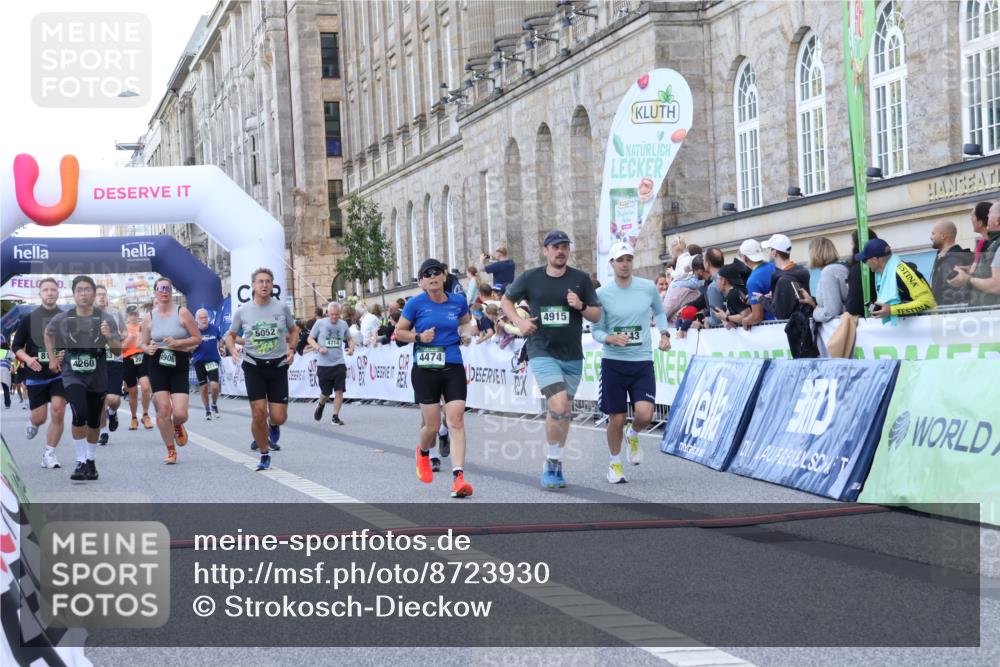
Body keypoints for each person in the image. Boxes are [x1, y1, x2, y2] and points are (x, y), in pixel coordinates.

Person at [502, 230, 601, 490]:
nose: (560, 251)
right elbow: (505, 301)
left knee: (563, 411)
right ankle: (551, 463)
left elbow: (596, 315)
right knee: (557, 405)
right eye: (555, 247)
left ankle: (554, 462)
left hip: (572, 355)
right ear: (545, 250)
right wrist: (520, 322)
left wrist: (580, 305)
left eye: (564, 246)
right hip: (541, 350)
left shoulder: (580, 279)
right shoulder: (530, 277)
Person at [395, 258, 477, 498]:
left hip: (452, 365)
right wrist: (419, 337)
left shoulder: (458, 302)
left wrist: (465, 335)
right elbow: (399, 332)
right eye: (426, 274)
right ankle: (422, 451)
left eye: (436, 273)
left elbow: (464, 324)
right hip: (425, 369)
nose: (432, 277)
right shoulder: (415, 304)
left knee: (456, 420)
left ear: (444, 276)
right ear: (421, 282)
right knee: (431, 426)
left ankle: (458, 478)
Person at [591, 243, 670, 484]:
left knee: (645, 414)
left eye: (628, 259)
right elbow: (596, 329)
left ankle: (633, 434)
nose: (625, 263)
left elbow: (658, 311)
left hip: (641, 361)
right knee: (616, 418)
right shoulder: (602, 294)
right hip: (614, 362)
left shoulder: (647, 287)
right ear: (612, 264)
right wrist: (610, 338)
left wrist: (665, 334)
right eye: (620, 259)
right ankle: (615, 464)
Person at [44, 275, 123, 481]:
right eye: (79, 290)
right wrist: (52, 358)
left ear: (94, 293)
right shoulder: (63, 318)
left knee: (94, 420)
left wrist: (109, 337)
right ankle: (80, 462)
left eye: (87, 289)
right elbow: (48, 333)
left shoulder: (106, 318)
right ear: (74, 293)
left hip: (97, 374)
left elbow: (116, 351)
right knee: (79, 413)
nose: (83, 293)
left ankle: (90, 460)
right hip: (72, 372)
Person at [226, 268, 298, 470]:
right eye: (260, 281)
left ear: (272, 285)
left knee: (278, 417)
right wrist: (232, 350)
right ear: (253, 286)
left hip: (278, 366)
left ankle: (273, 425)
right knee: (258, 414)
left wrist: (292, 349)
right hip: (254, 365)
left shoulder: (282, 308)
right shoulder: (243, 311)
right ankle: (264, 453)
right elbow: (230, 335)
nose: (264, 285)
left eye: (268, 281)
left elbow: (294, 330)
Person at [142, 277, 202, 464]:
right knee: (163, 410)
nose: (164, 291)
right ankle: (170, 449)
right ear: (155, 292)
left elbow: (197, 338)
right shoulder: (149, 317)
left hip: (178, 363)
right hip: (157, 364)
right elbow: (142, 343)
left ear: (171, 291)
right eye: (161, 288)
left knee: (181, 413)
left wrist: (179, 342)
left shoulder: (182, 312)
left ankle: (177, 425)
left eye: (167, 288)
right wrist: (147, 348)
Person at [11, 277, 67, 469]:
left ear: (58, 293)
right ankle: (33, 422)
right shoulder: (29, 319)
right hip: (35, 373)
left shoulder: (66, 318)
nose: (50, 293)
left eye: (53, 289)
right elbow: (16, 346)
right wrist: (28, 359)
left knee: (58, 410)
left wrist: (65, 353)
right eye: (46, 290)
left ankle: (49, 453)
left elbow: (74, 343)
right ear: (40, 294)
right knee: (40, 418)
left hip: (59, 373)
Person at [856, 238, 936, 323]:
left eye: (864, 260)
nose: (865, 264)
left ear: (875, 260)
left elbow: (928, 302)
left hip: (923, 328)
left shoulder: (902, 271)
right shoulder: (881, 274)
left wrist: (891, 310)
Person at [308, 301, 354, 425]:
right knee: (326, 393)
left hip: (339, 363)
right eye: (332, 314)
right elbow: (310, 338)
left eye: (337, 315)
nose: (334, 317)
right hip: (324, 364)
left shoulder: (343, 324)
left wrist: (351, 348)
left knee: (339, 391)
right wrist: (318, 348)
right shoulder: (320, 323)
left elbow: (350, 339)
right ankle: (321, 404)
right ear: (327, 313)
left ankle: (335, 416)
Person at [949, 200, 1000, 307]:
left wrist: (967, 279)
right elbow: (988, 271)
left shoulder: (994, 244)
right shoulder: (993, 243)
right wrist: (970, 270)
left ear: (998, 221)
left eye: (989, 213)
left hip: (992, 314)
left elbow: (996, 285)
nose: (987, 216)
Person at [94, 285, 126, 446]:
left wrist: (120, 344)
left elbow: (125, 334)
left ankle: (112, 413)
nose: (101, 297)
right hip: (97, 362)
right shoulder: (88, 315)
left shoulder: (115, 314)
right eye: (98, 294)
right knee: (100, 398)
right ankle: (104, 432)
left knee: (113, 399)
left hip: (115, 359)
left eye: (103, 294)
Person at [797, 237, 849, 324]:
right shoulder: (839, 267)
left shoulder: (829, 271)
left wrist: (815, 313)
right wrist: (811, 302)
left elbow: (831, 312)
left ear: (816, 254)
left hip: (839, 327)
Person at [760, 233, 812, 320]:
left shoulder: (783, 280)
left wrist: (761, 299)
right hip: (803, 324)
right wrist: (775, 297)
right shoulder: (799, 271)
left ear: (774, 252)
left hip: (791, 328)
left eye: (769, 249)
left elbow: (780, 314)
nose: (768, 252)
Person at [121, 305, 154, 430]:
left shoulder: (143, 327)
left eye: (135, 314)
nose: (133, 316)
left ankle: (145, 415)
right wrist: (129, 339)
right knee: (133, 391)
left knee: (145, 387)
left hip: (142, 358)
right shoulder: (123, 329)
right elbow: (120, 349)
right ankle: (134, 417)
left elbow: (148, 342)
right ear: (127, 317)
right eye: (131, 314)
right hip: (128, 360)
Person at [928, 221, 972, 306]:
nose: (931, 237)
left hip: (950, 316)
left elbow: (955, 296)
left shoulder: (953, 260)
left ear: (943, 236)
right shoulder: (944, 258)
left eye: (933, 234)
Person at [738, 238, 777, 328]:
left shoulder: (753, 280)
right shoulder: (774, 266)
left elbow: (757, 316)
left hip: (770, 327)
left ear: (745, 258)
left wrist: (745, 321)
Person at [192, 308, 223, 420]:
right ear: (196, 320)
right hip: (199, 362)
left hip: (212, 360)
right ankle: (207, 410)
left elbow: (220, 339)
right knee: (204, 387)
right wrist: (192, 347)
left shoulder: (214, 328)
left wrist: (222, 347)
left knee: (215, 386)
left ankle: (214, 404)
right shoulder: (194, 330)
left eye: (205, 317)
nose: (204, 319)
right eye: (201, 318)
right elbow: (189, 346)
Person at [846, 229, 880, 316]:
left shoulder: (858, 269)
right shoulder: (890, 265)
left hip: (870, 321)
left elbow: (854, 307)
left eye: (852, 243)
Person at [711, 262, 752, 328]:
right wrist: (726, 317)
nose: (716, 282)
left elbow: (746, 315)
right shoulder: (737, 290)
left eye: (717, 279)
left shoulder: (732, 295)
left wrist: (726, 317)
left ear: (723, 280)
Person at [971, 201, 993, 266]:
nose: (971, 219)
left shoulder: (990, 245)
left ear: (980, 223)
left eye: (973, 216)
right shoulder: (981, 243)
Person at [1, 340, 11, 409]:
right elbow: (16, 358)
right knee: (6, 388)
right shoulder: (9, 352)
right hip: (5, 370)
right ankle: (7, 404)